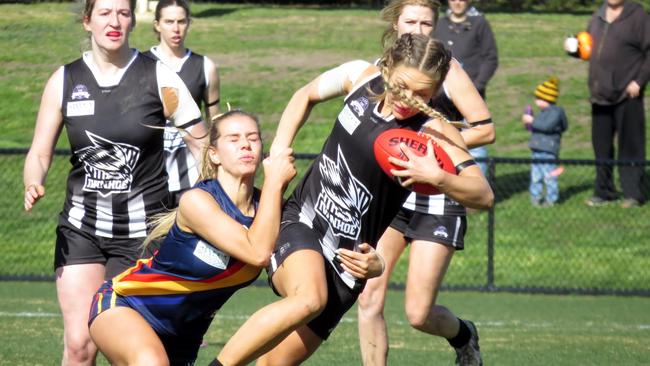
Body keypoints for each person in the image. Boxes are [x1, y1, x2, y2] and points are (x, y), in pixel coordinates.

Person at [212, 33, 494, 366]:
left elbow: (484, 195)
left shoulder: (432, 132)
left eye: (424, 93)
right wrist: (278, 153)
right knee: (309, 297)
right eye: (403, 85)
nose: (410, 99)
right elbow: (305, 96)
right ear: (388, 68)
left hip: (348, 265)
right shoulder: (359, 78)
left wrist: (439, 178)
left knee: (273, 363)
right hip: (303, 221)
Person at [22, 0, 207, 363]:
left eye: (123, 13)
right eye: (104, 13)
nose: (114, 21)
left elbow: (201, 141)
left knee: (128, 347)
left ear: (133, 21)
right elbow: (39, 152)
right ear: (87, 21)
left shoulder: (159, 77)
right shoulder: (65, 80)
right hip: (81, 230)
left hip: (142, 234)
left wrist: (206, 194)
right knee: (79, 344)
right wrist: (34, 180)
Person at [88, 110, 296, 365]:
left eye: (253, 138)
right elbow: (259, 253)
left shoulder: (270, 212)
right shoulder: (197, 201)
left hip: (183, 340)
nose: (245, 144)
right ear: (214, 154)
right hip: (128, 305)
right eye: (234, 138)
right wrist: (274, 183)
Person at [357, 1, 494, 366]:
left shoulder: (448, 70)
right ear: (395, 24)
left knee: (418, 314)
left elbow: (485, 128)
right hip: (395, 191)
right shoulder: (379, 68)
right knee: (368, 295)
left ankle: (463, 335)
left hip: (437, 193)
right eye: (410, 21)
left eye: (426, 23)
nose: (417, 29)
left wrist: (431, 145)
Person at [567, 0, 649, 208]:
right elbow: (587, 49)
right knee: (601, 147)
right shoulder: (597, 16)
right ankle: (604, 191)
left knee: (631, 147)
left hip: (628, 94)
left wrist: (639, 81)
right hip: (600, 93)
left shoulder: (638, 16)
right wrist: (574, 48)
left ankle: (633, 194)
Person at [145, 0, 221, 207]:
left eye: (181, 21)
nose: (176, 28)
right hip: (148, 178)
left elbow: (215, 122)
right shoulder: (142, 65)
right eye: (169, 21)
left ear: (189, 23)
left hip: (191, 178)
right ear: (157, 25)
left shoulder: (204, 67)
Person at [434, 0, 498, 175]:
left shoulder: (480, 23)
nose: (458, 3)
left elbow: (490, 58)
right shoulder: (439, 24)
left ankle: (477, 194)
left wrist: (477, 86)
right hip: (441, 101)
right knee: (442, 144)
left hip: (470, 101)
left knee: (476, 147)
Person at [521, 76, 568, 207]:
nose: (536, 101)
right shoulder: (543, 112)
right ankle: (535, 197)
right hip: (537, 149)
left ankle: (551, 199)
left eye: (539, 98)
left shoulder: (556, 112)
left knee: (549, 176)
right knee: (536, 176)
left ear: (548, 99)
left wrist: (532, 121)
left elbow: (547, 126)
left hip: (548, 150)